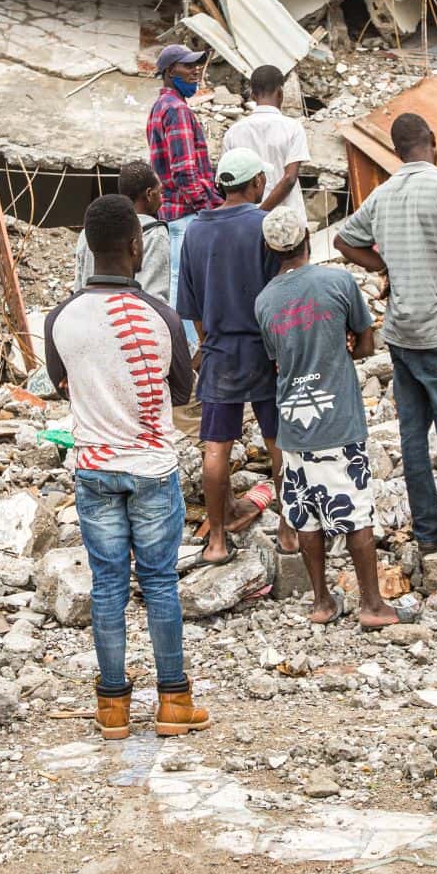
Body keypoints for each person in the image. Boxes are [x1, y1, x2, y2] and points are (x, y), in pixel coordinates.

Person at [44, 196, 209, 739]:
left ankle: (112, 706)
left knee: (108, 585)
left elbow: (59, 383)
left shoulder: (60, 318)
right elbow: (183, 389)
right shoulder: (160, 316)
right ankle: (173, 702)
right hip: (151, 467)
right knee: (160, 583)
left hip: (93, 468)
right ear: (137, 246)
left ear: (90, 249)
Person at [335, 113, 437, 560]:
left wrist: (385, 267)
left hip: (402, 333)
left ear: (396, 150)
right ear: (431, 142)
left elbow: (344, 242)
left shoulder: (383, 195)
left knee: (413, 435)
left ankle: (428, 532)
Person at [255, 206, 397, 630]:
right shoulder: (338, 281)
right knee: (355, 513)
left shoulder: (264, 302)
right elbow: (367, 341)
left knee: (307, 516)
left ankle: (322, 602)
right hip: (338, 418)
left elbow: (277, 361)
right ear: (306, 239)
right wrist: (347, 347)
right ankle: (371, 603)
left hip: (294, 425)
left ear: (270, 249)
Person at [178, 147, 288, 564]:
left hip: (220, 351)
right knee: (277, 441)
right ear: (257, 182)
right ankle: (289, 531)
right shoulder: (264, 226)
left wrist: (206, 345)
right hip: (263, 348)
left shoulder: (194, 231)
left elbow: (190, 306)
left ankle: (218, 540)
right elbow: (279, 292)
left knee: (216, 447)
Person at [147, 43, 218, 314]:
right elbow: (184, 171)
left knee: (180, 284)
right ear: (168, 71)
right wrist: (208, 207)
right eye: (187, 66)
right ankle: (188, 352)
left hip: (174, 214)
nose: (195, 71)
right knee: (186, 291)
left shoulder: (161, 106)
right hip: (185, 215)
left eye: (196, 65)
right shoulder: (177, 110)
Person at [223, 64, 314, 218]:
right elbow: (290, 178)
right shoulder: (292, 128)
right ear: (280, 93)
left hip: (245, 221)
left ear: (252, 95)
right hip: (287, 222)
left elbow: (227, 180)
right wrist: (261, 213)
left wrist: (252, 216)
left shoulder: (234, 132)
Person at [75, 161, 171, 300]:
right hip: (134, 318)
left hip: (90, 315)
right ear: (149, 194)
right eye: (160, 192)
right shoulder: (155, 234)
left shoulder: (89, 231)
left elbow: (78, 287)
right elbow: (156, 298)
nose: (162, 199)